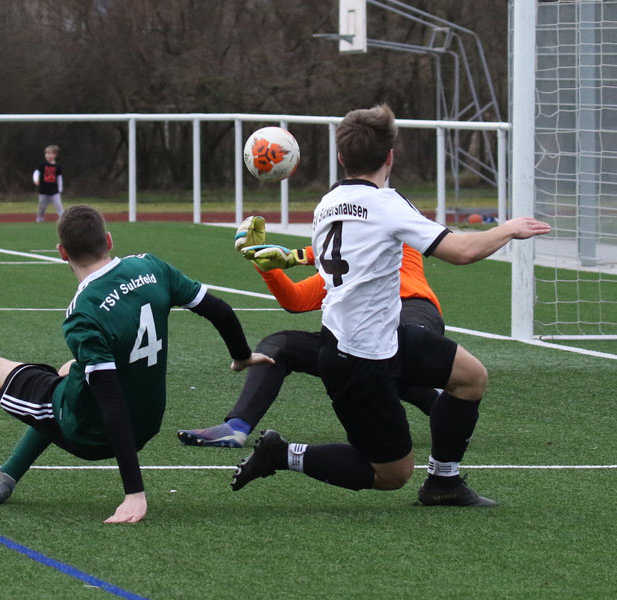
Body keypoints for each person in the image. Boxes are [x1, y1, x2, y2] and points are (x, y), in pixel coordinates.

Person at [231, 104, 551, 506]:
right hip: (359, 358)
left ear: (341, 158)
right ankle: (282, 454)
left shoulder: (327, 204)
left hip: (381, 337)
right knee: (392, 474)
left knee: (470, 376)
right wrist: (509, 229)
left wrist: (288, 258)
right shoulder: (387, 203)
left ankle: (444, 483)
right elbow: (462, 251)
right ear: (390, 157)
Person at [0, 204, 272, 523]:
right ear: (109, 240)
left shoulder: (84, 311)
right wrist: (241, 356)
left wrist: (134, 492)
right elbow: (219, 309)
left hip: (89, 431)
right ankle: (3, 479)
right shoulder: (152, 267)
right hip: (148, 422)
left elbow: (111, 402)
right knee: (68, 370)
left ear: (62, 253)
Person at [177, 214, 444, 448]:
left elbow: (357, 244)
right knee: (279, 346)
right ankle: (237, 427)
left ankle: (443, 404)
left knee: (393, 350)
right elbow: (295, 300)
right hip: (356, 337)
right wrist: (263, 262)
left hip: (411, 310)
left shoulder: (392, 233)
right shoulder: (336, 273)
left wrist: (295, 256)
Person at [33, 144, 63, 222]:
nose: (48, 155)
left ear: (55, 155)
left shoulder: (58, 166)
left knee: (58, 205)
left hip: (54, 191)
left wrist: (60, 188)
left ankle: (63, 219)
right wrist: (36, 180)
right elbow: (36, 172)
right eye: (47, 153)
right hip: (43, 190)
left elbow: (59, 178)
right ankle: (40, 218)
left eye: (50, 153)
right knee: (42, 206)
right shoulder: (42, 165)